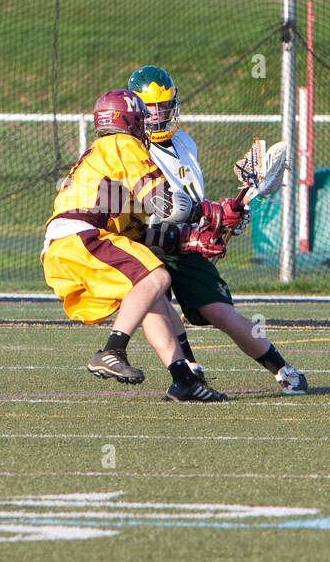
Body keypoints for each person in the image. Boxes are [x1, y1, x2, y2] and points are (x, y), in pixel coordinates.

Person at [41, 88, 233, 402]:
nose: (145, 126)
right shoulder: (121, 143)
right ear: (129, 119)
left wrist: (193, 240)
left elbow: (143, 235)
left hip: (69, 244)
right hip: (81, 235)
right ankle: (113, 350)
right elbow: (163, 203)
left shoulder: (106, 163)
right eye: (141, 119)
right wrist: (209, 211)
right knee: (157, 277)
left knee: (153, 297)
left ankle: (183, 380)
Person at [127, 66, 309, 395]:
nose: (157, 116)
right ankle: (187, 373)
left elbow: (193, 202)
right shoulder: (132, 152)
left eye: (163, 107)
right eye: (150, 109)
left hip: (183, 245)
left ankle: (283, 370)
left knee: (220, 312)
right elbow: (155, 206)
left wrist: (222, 220)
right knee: (157, 298)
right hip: (145, 239)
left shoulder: (184, 142)